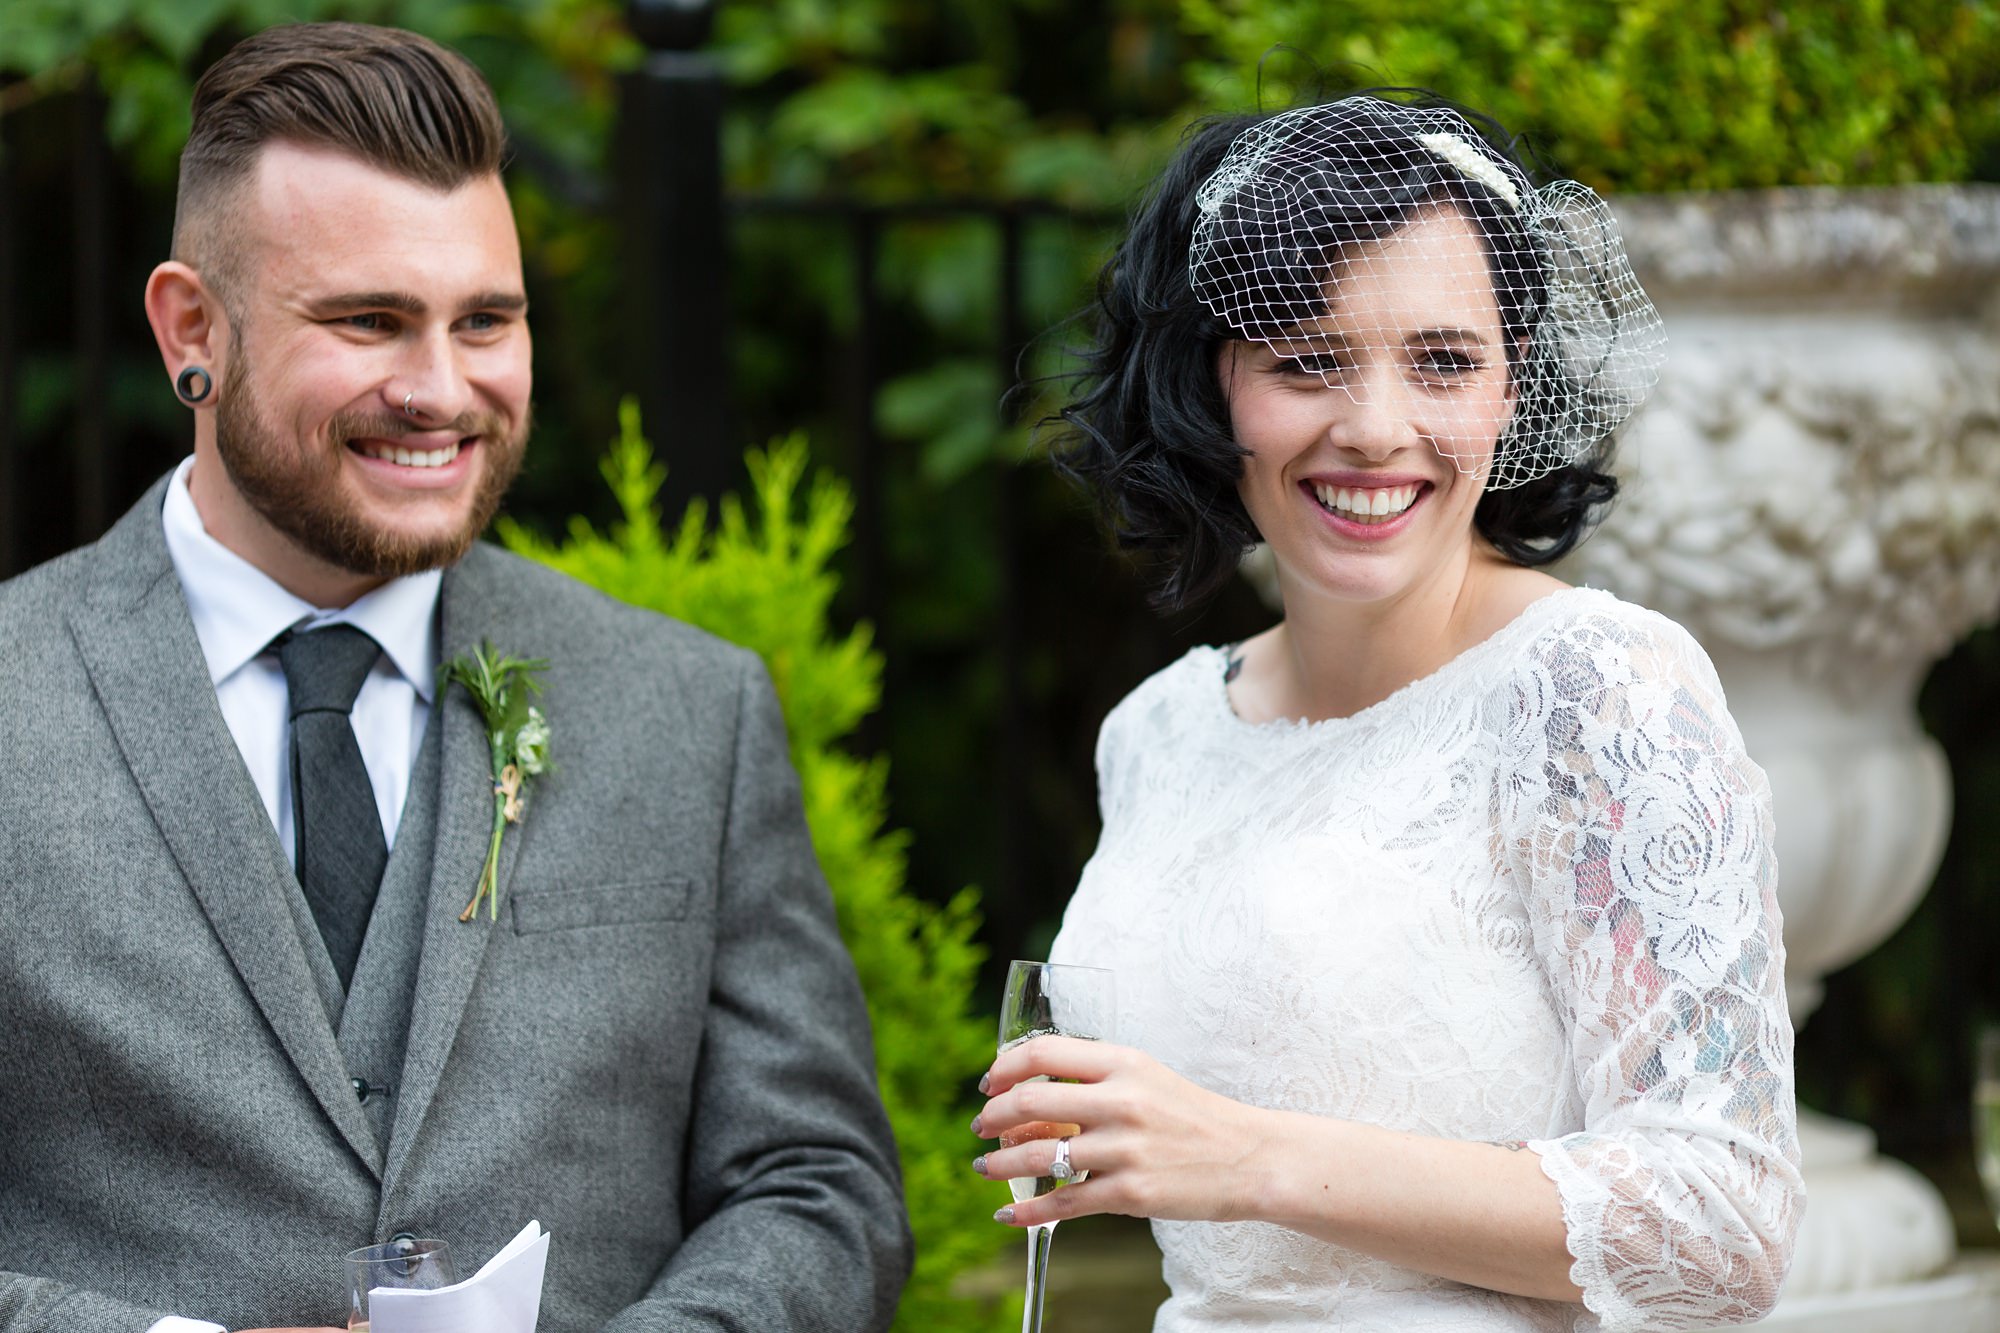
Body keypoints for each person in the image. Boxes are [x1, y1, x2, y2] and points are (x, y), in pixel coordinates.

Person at [0, 22, 910, 1333]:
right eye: (371, 320)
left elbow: (817, 1186)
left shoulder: (685, 710)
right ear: (192, 326)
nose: (442, 389)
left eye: (485, 320)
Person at [972, 94, 1802, 1330]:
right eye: (1305, 359)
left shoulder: (1594, 692)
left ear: (1510, 388)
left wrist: (1249, 1157)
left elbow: (1721, 1226)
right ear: (1213, 388)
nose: (1372, 428)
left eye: (1442, 361)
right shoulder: (1155, 731)